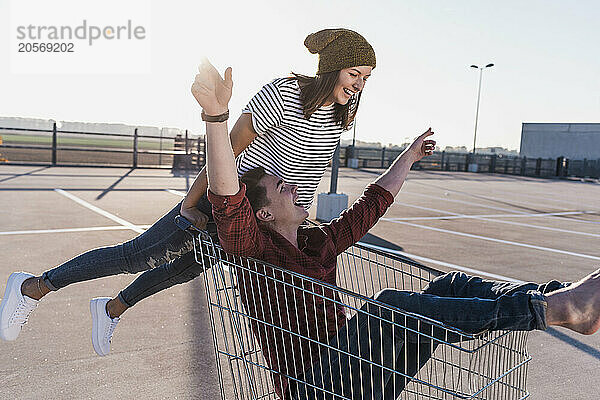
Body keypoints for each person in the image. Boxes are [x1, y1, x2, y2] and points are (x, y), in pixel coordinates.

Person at [194, 59, 600, 399]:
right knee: (392, 304)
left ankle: (555, 297)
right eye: (282, 188)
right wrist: (216, 118)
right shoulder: (250, 247)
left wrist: (408, 156)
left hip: (356, 370)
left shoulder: (317, 240)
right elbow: (227, 197)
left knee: (452, 285)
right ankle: (549, 310)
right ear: (262, 214)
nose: (295, 187)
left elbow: (371, 204)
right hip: (314, 386)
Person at [0, 29, 377, 357]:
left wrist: (292, 228)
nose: (359, 84)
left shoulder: (339, 119)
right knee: (137, 257)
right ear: (332, 67)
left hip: (260, 226)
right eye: (354, 73)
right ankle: (34, 286)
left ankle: (110, 309)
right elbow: (227, 150)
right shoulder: (284, 93)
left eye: (366, 77)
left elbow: (307, 180)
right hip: (226, 207)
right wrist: (191, 202)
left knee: (179, 272)